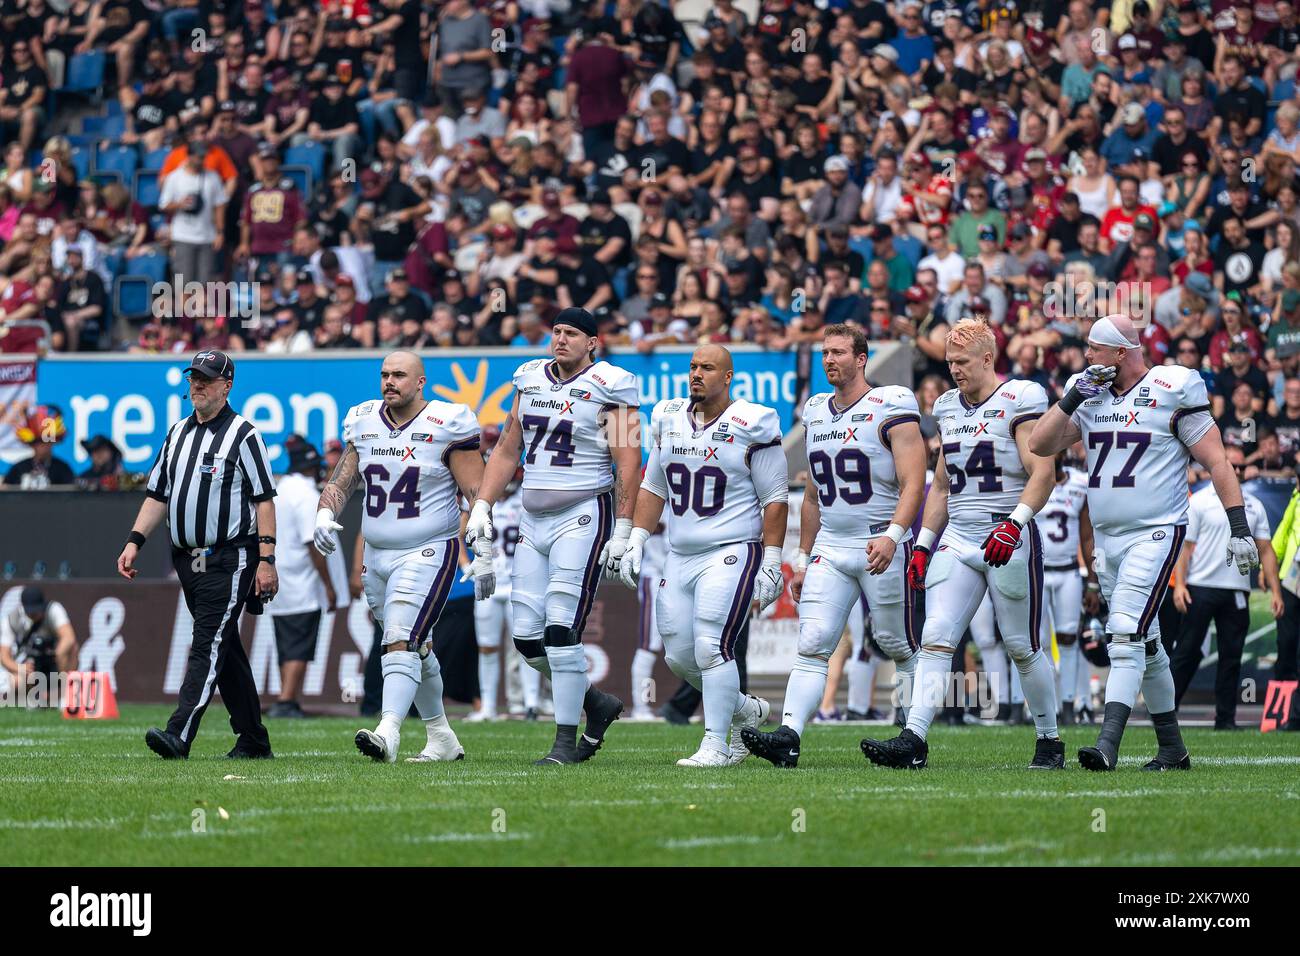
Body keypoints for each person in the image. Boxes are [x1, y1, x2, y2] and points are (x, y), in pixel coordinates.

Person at [1030, 314, 1261, 771]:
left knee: (1125, 633)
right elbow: (1040, 444)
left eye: (1096, 348)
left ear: (1121, 353)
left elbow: (1216, 462)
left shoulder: (1172, 388)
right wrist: (1075, 395)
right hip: (1109, 540)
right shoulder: (1089, 392)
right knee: (1148, 644)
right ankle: (1173, 749)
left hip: (1157, 530)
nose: (1087, 356)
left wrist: (1239, 526)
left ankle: (1107, 744)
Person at [862, 318, 1064, 770]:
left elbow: (1043, 474)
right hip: (958, 535)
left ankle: (1049, 739)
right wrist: (923, 544)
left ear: (988, 359)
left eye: (962, 361)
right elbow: (941, 486)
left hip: (1006, 533)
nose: (953, 370)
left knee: (1021, 645)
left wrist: (1014, 525)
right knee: (935, 638)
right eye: (950, 361)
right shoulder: (949, 405)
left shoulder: (1020, 398)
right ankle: (913, 738)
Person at [464, 307, 642, 765]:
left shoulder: (611, 383)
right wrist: (482, 504)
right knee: (527, 639)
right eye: (556, 331)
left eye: (571, 333)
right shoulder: (529, 378)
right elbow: (507, 447)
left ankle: (564, 741)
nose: (560, 339)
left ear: (592, 342)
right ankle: (595, 703)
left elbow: (627, 459)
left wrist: (624, 526)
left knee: (561, 629)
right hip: (532, 518)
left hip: (583, 512)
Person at [744, 324, 925, 768]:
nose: (830, 360)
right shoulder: (817, 410)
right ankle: (788, 737)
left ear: (862, 359)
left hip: (879, 539)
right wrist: (802, 558)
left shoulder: (892, 403)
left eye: (839, 353)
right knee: (813, 643)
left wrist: (894, 535)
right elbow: (810, 494)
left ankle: (913, 738)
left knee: (898, 643)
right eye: (825, 353)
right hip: (832, 543)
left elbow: (914, 481)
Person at [313, 351, 488, 763]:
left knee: (400, 637)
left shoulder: (447, 422)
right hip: (377, 553)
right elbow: (343, 477)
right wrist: (325, 512)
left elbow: (477, 492)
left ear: (421, 382)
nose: (389, 382)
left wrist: (484, 548)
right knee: (417, 647)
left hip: (429, 548)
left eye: (399, 375)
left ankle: (388, 731)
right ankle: (442, 737)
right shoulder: (364, 420)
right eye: (384, 374)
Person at [617, 344, 785, 766]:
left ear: (727, 376)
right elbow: (654, 486)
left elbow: (776, 499)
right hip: (680, 552)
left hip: (731, 549)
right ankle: (747, 710)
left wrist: (771, 559)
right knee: (678, 656)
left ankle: (716, 743)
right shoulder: (668, 417)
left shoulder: (753, 422)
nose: (696, 374)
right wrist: (637, 537)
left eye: (707, 368)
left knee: (712, 646)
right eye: (693, 366)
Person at [119, 350, 278, 760]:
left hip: (230, 556)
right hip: (187, 559)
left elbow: (264, 500)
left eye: (207, 379)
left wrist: (266, 560)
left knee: (207, 642)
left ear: (227, 386)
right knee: (225, 650)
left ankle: (180, 732)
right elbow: (158, 493)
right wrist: (135, 539)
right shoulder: (177, 433)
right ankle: (254, 740)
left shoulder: (244, 434)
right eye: (193, 378)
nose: (198, 385)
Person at [1170, 451, 1281, 729]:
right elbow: (1186, 547)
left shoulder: (1253, 504)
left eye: (1243, 465)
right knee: (1187, 651)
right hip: (1201, 587)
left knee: (1231, 657)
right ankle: (1165, 712)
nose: (1239, 469)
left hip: (1236, 590)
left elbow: (1266, 550)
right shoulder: (1201, 501)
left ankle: (1226, 719)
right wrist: (1180, 584)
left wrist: (1276, 591)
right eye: (1234, 464)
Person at [466, 426, 539, 722]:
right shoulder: (480, 498)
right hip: (488, 580)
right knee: (487, 648)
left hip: (518, 581)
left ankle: (531, 703)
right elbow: (463, 531)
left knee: (525, 645)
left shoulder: (526, 500)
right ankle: (489, 707)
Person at [267, 436, 336, 718]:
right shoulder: (307, 496)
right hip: (303, 581)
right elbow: (314, 545)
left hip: (279, 576)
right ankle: (286, 700)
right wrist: (329, 586)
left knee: (286, 643)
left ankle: (288, 699)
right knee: (300, 646)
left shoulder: (280, 490)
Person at [1037, 451, 1097, 725]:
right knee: (1037, 643)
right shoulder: (1032, 482)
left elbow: (1087, 536)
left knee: (1069, 640)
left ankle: (1069, 704)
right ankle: (1046, 705)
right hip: (1037, 572)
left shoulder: (1079, 484)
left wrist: (1093, 581)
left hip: (1068, 572)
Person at [0, 586, 77, 704]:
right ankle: (34, 699)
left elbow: (69, 637)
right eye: (31, 611)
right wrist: (20, 668)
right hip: (31, 664)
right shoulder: (12, 620)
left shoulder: (53, 609)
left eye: (37, 610)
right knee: (13, 680)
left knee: (72, 648)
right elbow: (4, 656)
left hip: (55, 662)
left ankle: (65, 696)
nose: (35, 614)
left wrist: (58, 653)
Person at [3, 405, 75, 489]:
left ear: (53, 443)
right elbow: (6, 493)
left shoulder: (63, 469)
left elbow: (71, 496)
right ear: (31, 445)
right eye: (37, 442)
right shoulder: (18, 469)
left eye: (46, 441)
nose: (42, 446)